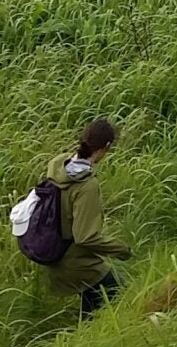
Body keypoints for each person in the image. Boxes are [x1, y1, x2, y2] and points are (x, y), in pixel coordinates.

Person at [46, 118, 131, 317]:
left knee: (93, 302)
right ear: (105, 147)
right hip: (74, 261)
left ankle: (83, 333)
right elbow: (85, 237)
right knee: (121, 293)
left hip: (52, 251)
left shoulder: (58, 164)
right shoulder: (86, 186)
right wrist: (121, 250)